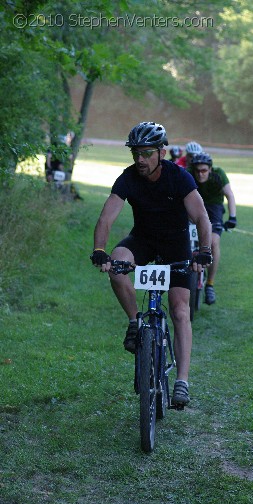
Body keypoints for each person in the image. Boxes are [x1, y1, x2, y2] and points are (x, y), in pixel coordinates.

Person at [90, 122, 212, 406]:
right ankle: (134, 322)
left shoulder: (179, 177)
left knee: (181, 310)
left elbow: (202, 217)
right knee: (118, 267)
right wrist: (99, 250)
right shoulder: (128, 178)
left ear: (162, 152)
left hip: (176, 244)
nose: (140, 160)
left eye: (146, 153)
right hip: (143, 240)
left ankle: (181, 380)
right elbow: (106, 217)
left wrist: (203, 251)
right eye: (136, 154)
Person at [190, 152, 237, 306]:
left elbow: (229, 195)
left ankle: (210, 284)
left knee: (214, 242)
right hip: (194, 206)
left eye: (204, 170)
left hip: (213, 209)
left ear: (210, 169)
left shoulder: (219, 174)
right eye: (197, 170)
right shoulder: (188, 173)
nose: (200, 174)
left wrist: (232, 217)